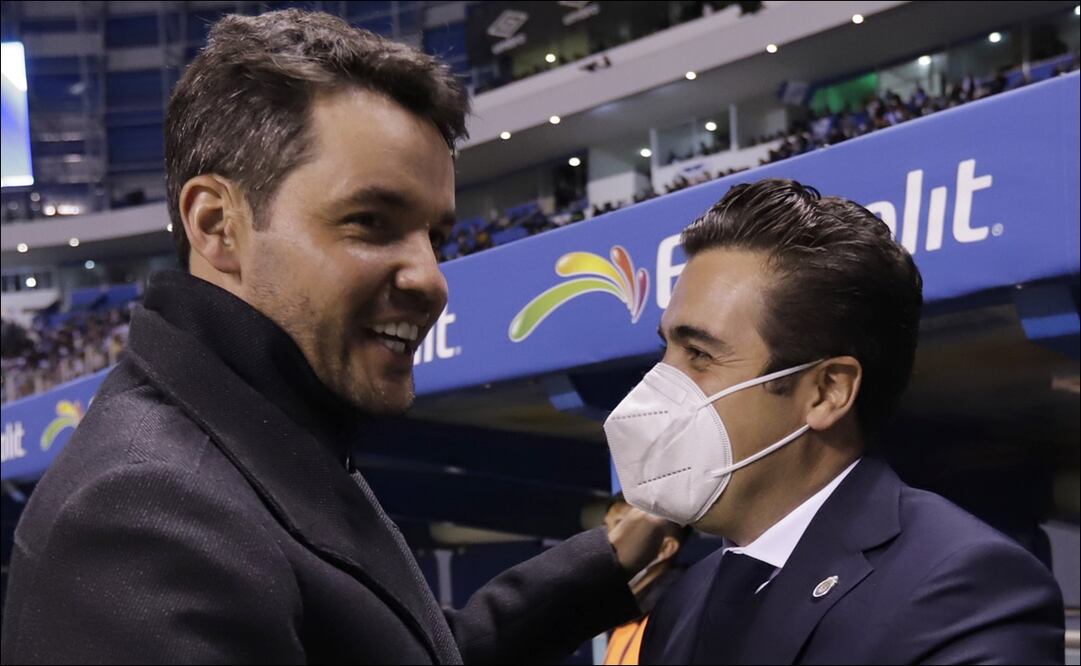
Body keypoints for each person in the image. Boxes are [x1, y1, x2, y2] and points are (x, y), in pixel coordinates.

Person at [0, 10, 669, 664]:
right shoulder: (146, 517)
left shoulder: (256, 438)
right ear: (215, 225)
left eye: (435, 237)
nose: (432, 280)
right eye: (370, 221)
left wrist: (600, 566)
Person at [604, 179, 1064, 664]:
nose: (657, 386)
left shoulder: (966, 587)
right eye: (666, 349)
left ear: (828, 392)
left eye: (699, 354)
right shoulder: (684, 601)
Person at [603, 495, 691, 666]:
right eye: (605, 527)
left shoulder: (680, 619)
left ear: (666, 548)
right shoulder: (623, 616)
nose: (608, 539)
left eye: (620, 525)